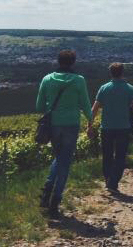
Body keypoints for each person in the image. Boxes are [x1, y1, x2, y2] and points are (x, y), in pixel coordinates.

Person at [36, 49, 93, 218]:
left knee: (59, 156)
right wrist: (91, 122)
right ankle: (55, 201)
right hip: (71, 124)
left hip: (53, 125)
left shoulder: (47, 79)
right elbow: (85, 104)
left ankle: (47, 190)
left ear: (58, 61)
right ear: (73, 62)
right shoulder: (79, 80)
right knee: (65, 162)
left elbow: (39, 106)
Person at [92, 62, 133, 194]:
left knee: (107, 155)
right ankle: (114, 182)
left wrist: (90, 125)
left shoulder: (104, 88)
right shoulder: (130, 88)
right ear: (122, 72)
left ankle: (107, 180)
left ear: (111, 73)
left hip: (106, 127)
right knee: (120, 156)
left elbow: (94, 109)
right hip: (123, 127)